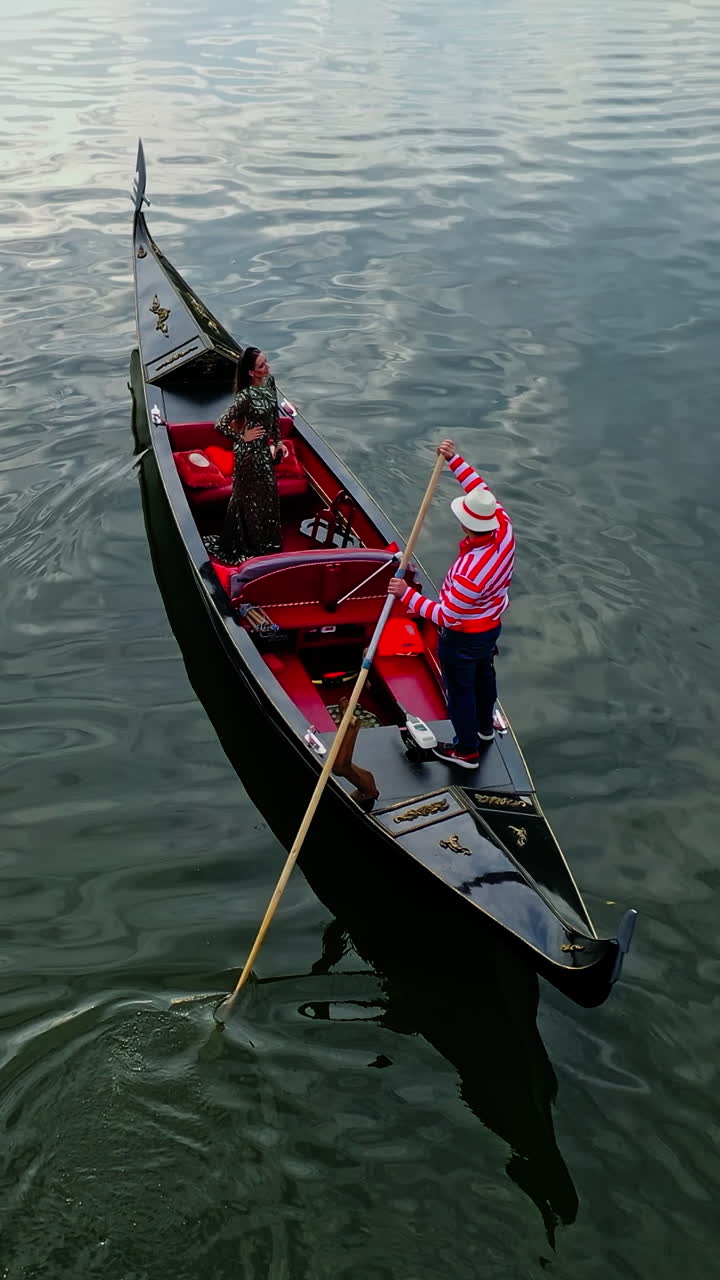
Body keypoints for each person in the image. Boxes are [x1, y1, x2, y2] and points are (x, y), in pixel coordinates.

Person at [388, 439, 514, 769]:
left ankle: (466, 750)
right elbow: (480, 488)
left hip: (462, 637)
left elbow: (448, 616)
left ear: (466, 526)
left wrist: (407, 594)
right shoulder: (504, 527)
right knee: (484, 677)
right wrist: (454, 459)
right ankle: (486, 729)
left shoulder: (471, 572)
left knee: (459, 690)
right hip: (489, 628)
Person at [211, 347, 289, 563]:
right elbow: (220, 424)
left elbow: (274, 417)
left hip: (264, 451)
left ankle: (268, 544)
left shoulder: (270, 383)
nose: (268, 367)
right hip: (247, 455)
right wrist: (241, 437)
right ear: (251, 373)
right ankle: (251, 547)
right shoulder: (245, 397)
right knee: (250, 501)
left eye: (266, 362)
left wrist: (279, 442)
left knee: (269, 497)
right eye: (262, 365)